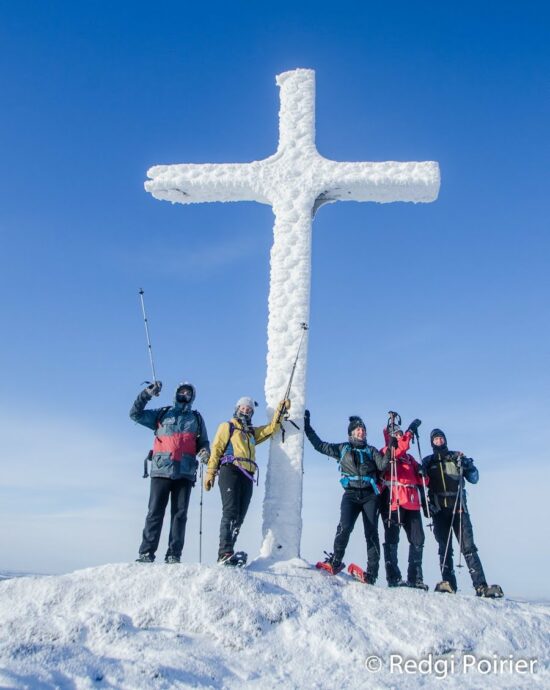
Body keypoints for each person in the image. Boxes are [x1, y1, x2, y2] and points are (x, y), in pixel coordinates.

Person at [304, 412, 391, 583]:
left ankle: (372, 574)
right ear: (351, 432)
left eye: (363, 430)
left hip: (370, 496)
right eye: (358, 429)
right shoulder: (343, 448)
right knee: (344, 527)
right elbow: (320, 446)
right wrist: (307, 427)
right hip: (350, 494)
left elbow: (382, 465)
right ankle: (336, 561)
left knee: (371, 533)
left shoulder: (371, 450)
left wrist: (390, 450)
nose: (361, 432)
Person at [130, 381, 209, 564]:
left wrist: (204, 452)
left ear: (192, 397)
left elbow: (203, 442)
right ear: (176, 394)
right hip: (161, 470)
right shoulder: (163, 413)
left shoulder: (196, 418)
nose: (184, 395)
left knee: (180, 515)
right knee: (154, 512)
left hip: (185, 472)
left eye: (188, 393)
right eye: (182, 391)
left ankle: (174, 554)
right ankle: (146, 553)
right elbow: (135, 414)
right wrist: (147, 394)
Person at [204, 396, 290, 565]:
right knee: (230, 511)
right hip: (231, 470)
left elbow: (271, 429)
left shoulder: (250, 432)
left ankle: (229, 552)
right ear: (237, 409)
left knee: (240, 516)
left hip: (247, 476)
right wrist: (211, 473)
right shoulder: (227, 427)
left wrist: (280, 410)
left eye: (249, 410)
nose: (246, 411)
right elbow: (216, 449)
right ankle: (224, 552)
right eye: (243, 408)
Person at [422, 428, 503, 598]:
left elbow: (474, 478)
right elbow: (420, 482)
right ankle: (448, 583)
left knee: (468, 547)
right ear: (431, 442)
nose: (439, 441)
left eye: (441, 438)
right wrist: (426, 505)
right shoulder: (428, 462)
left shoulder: (457, 458)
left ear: (445, 440)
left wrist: (468, 465)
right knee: (444, 548)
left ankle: (480, 585)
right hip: (439, 510)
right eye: (435, 439)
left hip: (459, 509)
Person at [379, 416, 428, 589]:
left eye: (401, 434)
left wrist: (423, 473)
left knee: (418, 539)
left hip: (412, 501)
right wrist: (410, 431)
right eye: (397, 434)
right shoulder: (387, 451)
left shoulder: (409, 459)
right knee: (392, 538)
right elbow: (400, 448)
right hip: (393, 500)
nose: (401, 436)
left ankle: (415, 578)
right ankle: (393, 577)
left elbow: (424, 481)